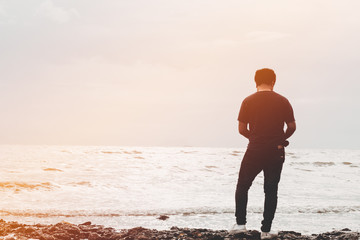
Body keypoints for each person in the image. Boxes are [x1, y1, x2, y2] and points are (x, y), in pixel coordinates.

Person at [229, 68, 296, 239]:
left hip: (255, 149)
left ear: (255, 81)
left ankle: (240, 224)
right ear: (273, 81)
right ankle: (266, 230)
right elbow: (292, 126)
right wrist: (280, 140)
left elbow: (242, 129)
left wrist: (256, 138)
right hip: (276, 151)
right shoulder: (283, 101)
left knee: (243, 186)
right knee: (271, 190)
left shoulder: (248, 101)